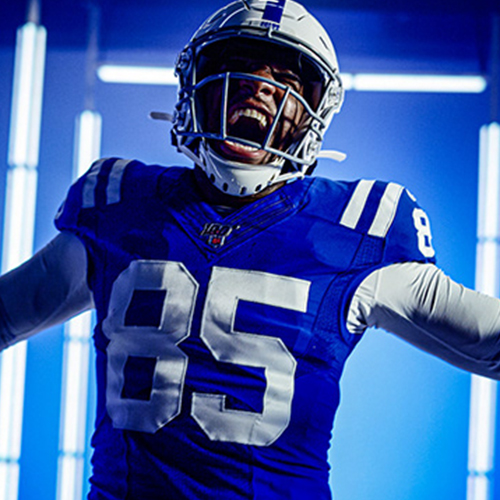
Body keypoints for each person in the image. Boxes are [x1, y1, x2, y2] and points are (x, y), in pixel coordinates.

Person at [1, 1, 499, 499]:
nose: (259, 84)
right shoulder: (120, 205)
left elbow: (489, 339)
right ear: (194, 86)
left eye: (285, 78)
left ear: (315, 112)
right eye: (238, 66)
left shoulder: (357, 227)